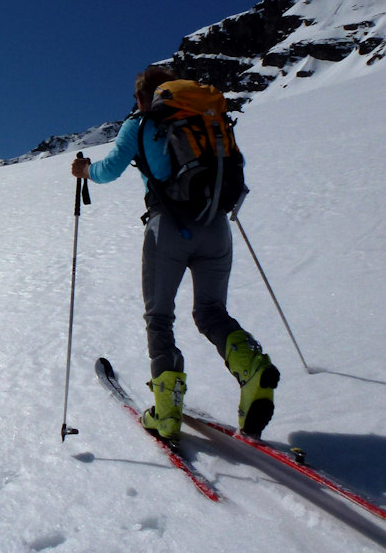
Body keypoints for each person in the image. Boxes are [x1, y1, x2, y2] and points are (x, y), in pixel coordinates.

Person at [71, 65, 279, 440]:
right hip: (216, 225)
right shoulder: (203, 120)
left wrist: (85, 170)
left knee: (160, 316)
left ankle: (166, 413)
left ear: (141, 97)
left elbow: (108, 170)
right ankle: (252, 369)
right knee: (212, 312)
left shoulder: (139, 124)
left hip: (167, 228)